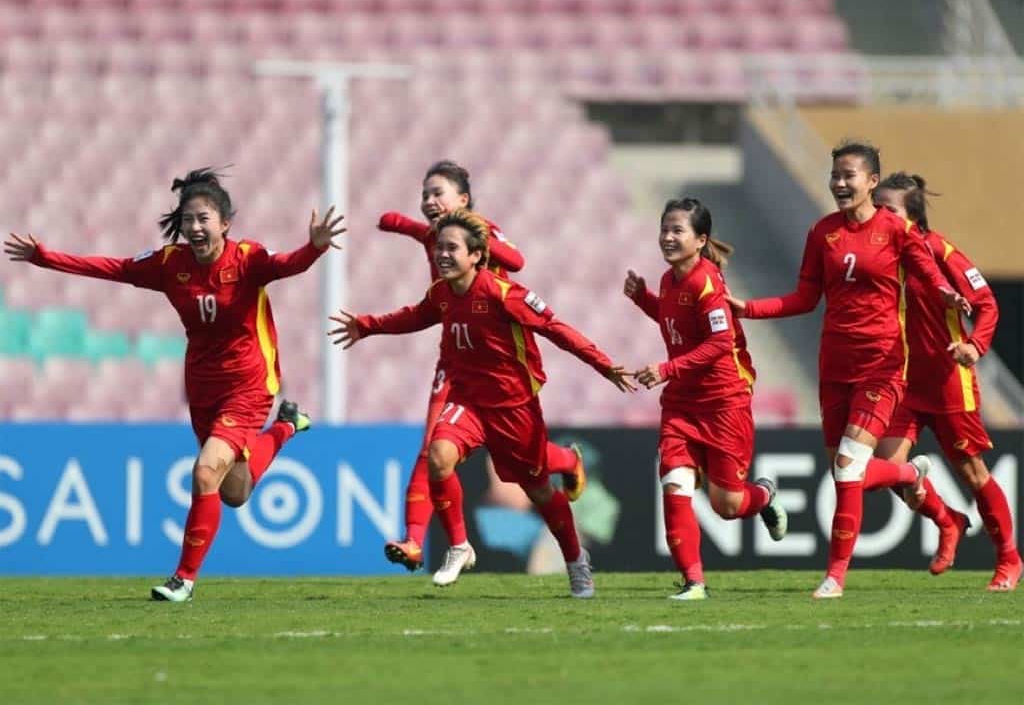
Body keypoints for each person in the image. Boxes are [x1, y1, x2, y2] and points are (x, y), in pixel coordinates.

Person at [4, 168, 345, 602]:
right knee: (234, 492)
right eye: (188, 220)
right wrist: (45, 257)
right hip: (202, 388)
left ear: (225, 223)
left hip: (249, 384)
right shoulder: (170, 265)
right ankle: (287, 427)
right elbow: (113, 268)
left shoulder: (247, 258)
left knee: (204, 471)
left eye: (204, 219)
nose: (195, 228)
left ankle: (182, 580)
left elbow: (286, 264)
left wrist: (313, 247)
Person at [329, 208, 634, 597]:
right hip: (468, 400)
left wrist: (604, 364)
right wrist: (367, 325)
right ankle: (459, 546)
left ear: (476, 255)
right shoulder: (442, 293)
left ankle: (576, 560)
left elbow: (557, 329)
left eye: (452, 248)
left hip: (514, 407)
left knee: (539, 492)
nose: (442, 254)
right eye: (439, 246)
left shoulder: (504, 294)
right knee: (438, 456)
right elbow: (414, 316)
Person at [726, 141, 970, 599]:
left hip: (882, 366)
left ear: (872, 182)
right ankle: (928, 496)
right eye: (835, 174)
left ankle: (834, 576)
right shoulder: (823, 233)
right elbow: (804, 297)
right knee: (847, 476)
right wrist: (750, 308)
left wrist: (946, 294)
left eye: (849, 175)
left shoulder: (895, 230)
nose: (839, 182)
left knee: (847, 466)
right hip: (834, 368)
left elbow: (926, 273)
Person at [376, 160, 586, 573]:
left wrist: (474, 233)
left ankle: (566, 461)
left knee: (524, 463)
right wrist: (398, 222)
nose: (428, 201)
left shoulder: (480, 231)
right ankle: (415, 540)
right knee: (432, 448)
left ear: (464, 201)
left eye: (437, 193)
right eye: (424, 195)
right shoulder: (436, 239)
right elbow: (414, 230)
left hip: (500, 364)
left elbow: (517, 260)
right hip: (455, 359)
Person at [624, 198, 788, 601]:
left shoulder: (707, 281)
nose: (667, 236)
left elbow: (720, 342)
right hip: (681, 404)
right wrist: (643, 298)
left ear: (700, 240)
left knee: (727, 506)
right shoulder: (668, 280)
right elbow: (674, 319)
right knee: (674, 482)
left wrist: (665, 369)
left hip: (723, 402)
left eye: (677, 230)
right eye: (665, 229)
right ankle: (694, 582)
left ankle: (763, 495)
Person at [873, 172, 1021, 591]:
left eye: (889, 210)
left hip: (946, 382)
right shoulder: (880, 255)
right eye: (877, 207)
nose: (879, 216)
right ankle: (948, 518)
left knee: (973, 474)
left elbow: (986, 302)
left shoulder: (939, 251)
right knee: (891, 469)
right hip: (902, 383)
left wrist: (975, 346)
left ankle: (1009, 558)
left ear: (912, 218)